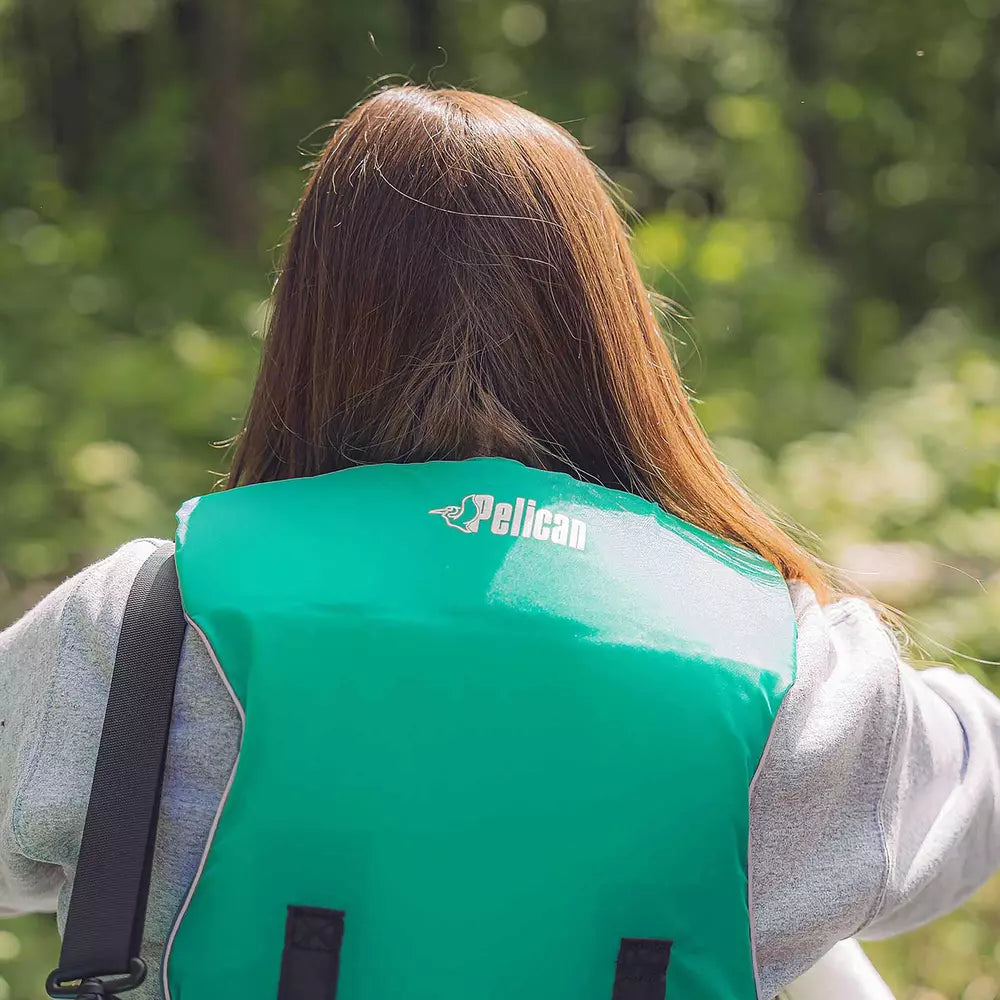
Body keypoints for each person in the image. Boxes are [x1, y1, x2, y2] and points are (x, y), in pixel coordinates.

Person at [1, 85, 997, 1000]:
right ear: (610, 337)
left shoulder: (146, 623)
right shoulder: (781, 661)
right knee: (807, 941)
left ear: (307, 322)